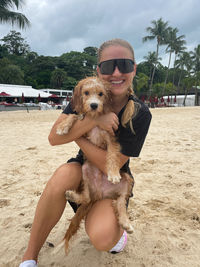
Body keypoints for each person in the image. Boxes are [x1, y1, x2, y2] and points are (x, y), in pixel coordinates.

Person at [19, 38, 152, 267]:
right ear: (99, 70)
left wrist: (77, 134)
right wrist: (95, 121)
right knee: (62, 174)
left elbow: (109, 165)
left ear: (134, 69)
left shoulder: (139, 112)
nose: (117, 72)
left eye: (125, 65)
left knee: (101, 238)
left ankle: (113, 228)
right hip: (83, 168)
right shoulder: (85, 95)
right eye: (109, 66)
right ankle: (29, 257)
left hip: (112, 177)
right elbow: (54, 138)